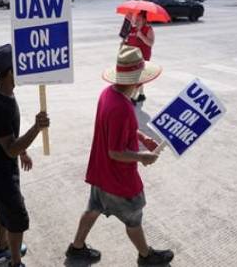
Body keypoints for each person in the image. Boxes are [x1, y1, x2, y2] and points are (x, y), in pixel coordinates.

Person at [65, 45, 174, 266]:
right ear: (139, 80)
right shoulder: (122, 108)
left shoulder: (108, 94)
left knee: (93, 209)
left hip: (100, 172)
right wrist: (142, 157)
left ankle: (76, 248)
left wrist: (142, 137)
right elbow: (115, 152)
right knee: (133, 217)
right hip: (118, 178)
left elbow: (116, 131)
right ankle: (146, 256)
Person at [0, 44, 50, 267]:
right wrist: (37, 128)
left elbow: (8, 135)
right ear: (10, 72)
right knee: (17, 219)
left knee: (2, 209)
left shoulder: (5, 92)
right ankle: (14, 262)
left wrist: (23, 152)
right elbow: (9, 147)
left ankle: (1, 250)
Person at [124, 11, 155, 104]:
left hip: (143, 57)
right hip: (132, 57)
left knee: (136, 78)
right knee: (138, 77)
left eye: (139, 19)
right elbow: (128, 40)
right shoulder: (132, 29)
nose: (136, 21)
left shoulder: (148, 29)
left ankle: (132, 98)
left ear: (144, 20)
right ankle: (141, 94)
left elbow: (151, 43)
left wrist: (141, 36)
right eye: (135, 19)